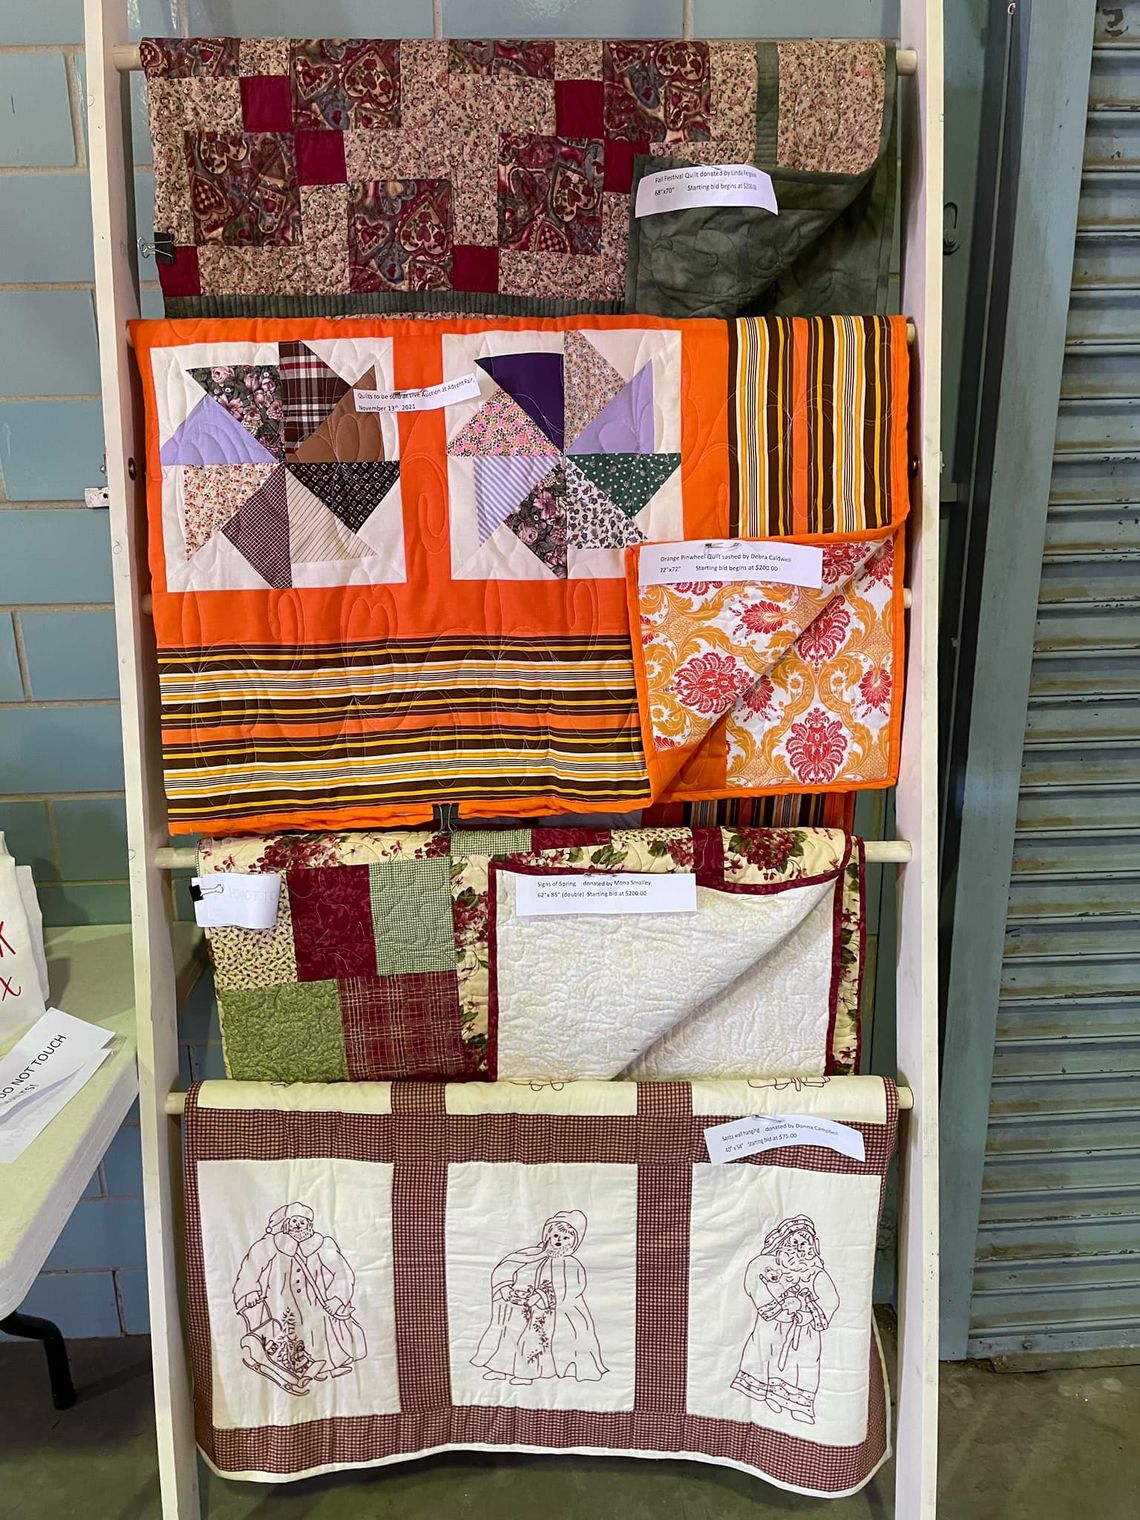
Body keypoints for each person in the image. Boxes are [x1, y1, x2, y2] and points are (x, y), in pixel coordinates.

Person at [232, 1202, 367, 1396]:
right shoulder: (270, 1244)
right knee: (289, 1330)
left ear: (309, 1225)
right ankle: (294, 1369)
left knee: (320, 1330)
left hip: (315, 1299)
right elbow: (251, 1267)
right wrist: (249, 1292)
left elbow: (341, 1272)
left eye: (302, 1222)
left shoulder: (321, 1244)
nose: (297, 1225)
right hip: (280, 1297)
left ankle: (325, 1366)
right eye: (294, 1221)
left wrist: (336, 1298)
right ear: (286, 1224)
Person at [471, 1209, 607, 1386]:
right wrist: (505, 1288)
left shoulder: (570, 1263)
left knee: (533, 1336)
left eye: (566, 1238)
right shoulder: (532, 1255)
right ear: (548, 1235)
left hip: (553, 1311)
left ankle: (527, 1373)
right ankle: (501, 1369)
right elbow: (508, 1269)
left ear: (574, 1242)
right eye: (556, 1235)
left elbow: (571, 1289)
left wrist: (541, 1296)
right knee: (508, 1332)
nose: (560, 1241)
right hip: (522, 1305)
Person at [731, 1214, 839, 1424]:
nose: (799, 1249)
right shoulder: (766, 1265)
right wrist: (781, 1307)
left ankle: (799, 1405)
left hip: (803, 1331)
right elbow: (755, 1287)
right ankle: (767, 1394)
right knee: (765, 1355)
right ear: (782, 1243)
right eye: (794, 1243)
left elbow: (830, 1300)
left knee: (802, 1365)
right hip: (771, 1327)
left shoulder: (815, 1273)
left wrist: (806, 1312)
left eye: (805, 1244)